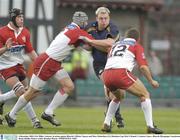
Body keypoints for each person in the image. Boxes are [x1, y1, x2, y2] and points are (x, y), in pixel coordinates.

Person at [4, 11, 94, 127]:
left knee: (69, 86)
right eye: (85, 21)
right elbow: (92, 43)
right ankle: (11, 115)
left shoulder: (71, 28)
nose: (86, 24)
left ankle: (48, 112)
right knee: (32, 92)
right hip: (47, 61)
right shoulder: (77, 31)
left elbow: (86, 46)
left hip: (54, 62)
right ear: (81, 22)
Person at [100, 28, 163, 134]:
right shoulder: (136, 46)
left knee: (119, 96)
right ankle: (150, 126)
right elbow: (143, 67)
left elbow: (110, 63)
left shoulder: (114, 45)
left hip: (106, 75)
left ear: (125, 36)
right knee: (145, 94)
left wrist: (106, 85)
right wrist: (151, 81)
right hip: (121, 73)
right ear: (137, 39)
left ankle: (106, 123)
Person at [0, 8, 42, 128]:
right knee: (22, 92)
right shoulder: (2, 32)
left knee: (27, 94)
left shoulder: (25, 32)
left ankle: (1, 99)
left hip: (19, 66)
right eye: (19, 17)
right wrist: (5, 48)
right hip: (5, 67)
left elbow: (30, 51)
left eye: (22, 17)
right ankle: (35, 121)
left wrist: (42, 63)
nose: (22, 19)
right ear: (13, 18)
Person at [85, 7, 124, 128]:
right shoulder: (90, 27)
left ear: (109, 18)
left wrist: (92, 42)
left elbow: (110, 43)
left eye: (106, 18)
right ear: (96, 18)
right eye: (101, 18)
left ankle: (115, 114)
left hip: (114, 63)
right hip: (99, 64)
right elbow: (84, 44)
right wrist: (89, 43)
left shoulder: (113, 27)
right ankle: (110, 119)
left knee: (116, 91)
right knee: (109, 85)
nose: (103, 20)